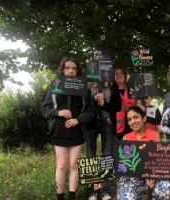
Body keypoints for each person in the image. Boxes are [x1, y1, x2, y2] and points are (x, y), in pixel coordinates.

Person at [41, 57, 94, 200]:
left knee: (73, 164)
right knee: (62, 164)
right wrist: (58, 112)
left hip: (77, 131)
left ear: (77, 71)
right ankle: (60, 197)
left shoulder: (84, 88)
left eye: (74, 68)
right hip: (59, 130)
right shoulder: (55, 85)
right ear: (63, 70)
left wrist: (78, 119)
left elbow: (90, 111)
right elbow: (45, 109)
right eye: (67, 68)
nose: (71, 71)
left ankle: (72, 197)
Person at [117, 106, 170, 199]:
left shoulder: (155, 135)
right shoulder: (126, 138)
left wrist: (153, 177)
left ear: (144, 118)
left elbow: (160, 160)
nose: (132, 121)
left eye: (136, 117)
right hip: (134, 178)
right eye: (129, 119)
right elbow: (124, 165)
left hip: (153, 176)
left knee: (165, 189)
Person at [85, 82, 121, 200]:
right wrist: (93, 99)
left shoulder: (112, 88)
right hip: (91, 123)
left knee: (107, 155)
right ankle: (92, 192)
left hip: (107, 122)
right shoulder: (88, 86)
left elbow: (116, 107)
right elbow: (83, 105)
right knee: (91, 156)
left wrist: (104, 104)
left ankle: (106, 191)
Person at [111, 67, 136, 140]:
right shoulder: (111, 89)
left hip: (131, 122)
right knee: (117, 148)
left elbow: (137, 103)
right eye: (117, 74)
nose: (119, 75)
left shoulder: (131, 88)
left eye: (121, 73)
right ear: (113, 76)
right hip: (116, 124)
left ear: (125, 75)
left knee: (129, 147)